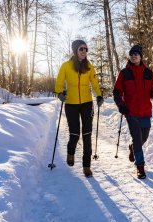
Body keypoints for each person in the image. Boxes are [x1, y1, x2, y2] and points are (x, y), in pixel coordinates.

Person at [113, 44, 153, 179]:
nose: (134, 56)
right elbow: (117, 91)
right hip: (130, 112)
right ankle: (140, 167)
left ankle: (132, 148)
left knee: (143, 137)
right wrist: (120, 105)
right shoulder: (124, 73)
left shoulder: (149, 73)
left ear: (141, 56)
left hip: (145, 112)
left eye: (136, 54)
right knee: (137, 138)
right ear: (130, 57)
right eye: (132, 54)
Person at [55, 39, 104, 177]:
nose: (84, 51)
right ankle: (71, 152)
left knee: (87, 135)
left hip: (87, 104)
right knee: (75, 134)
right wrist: (59, 93)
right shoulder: (66, 66)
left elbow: (94, 83)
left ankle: (86, 166)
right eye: (81, 49)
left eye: (86, 49)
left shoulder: (89, 66)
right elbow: (59, 82)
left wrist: (99, 95)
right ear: (75, 50)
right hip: (71, 104)